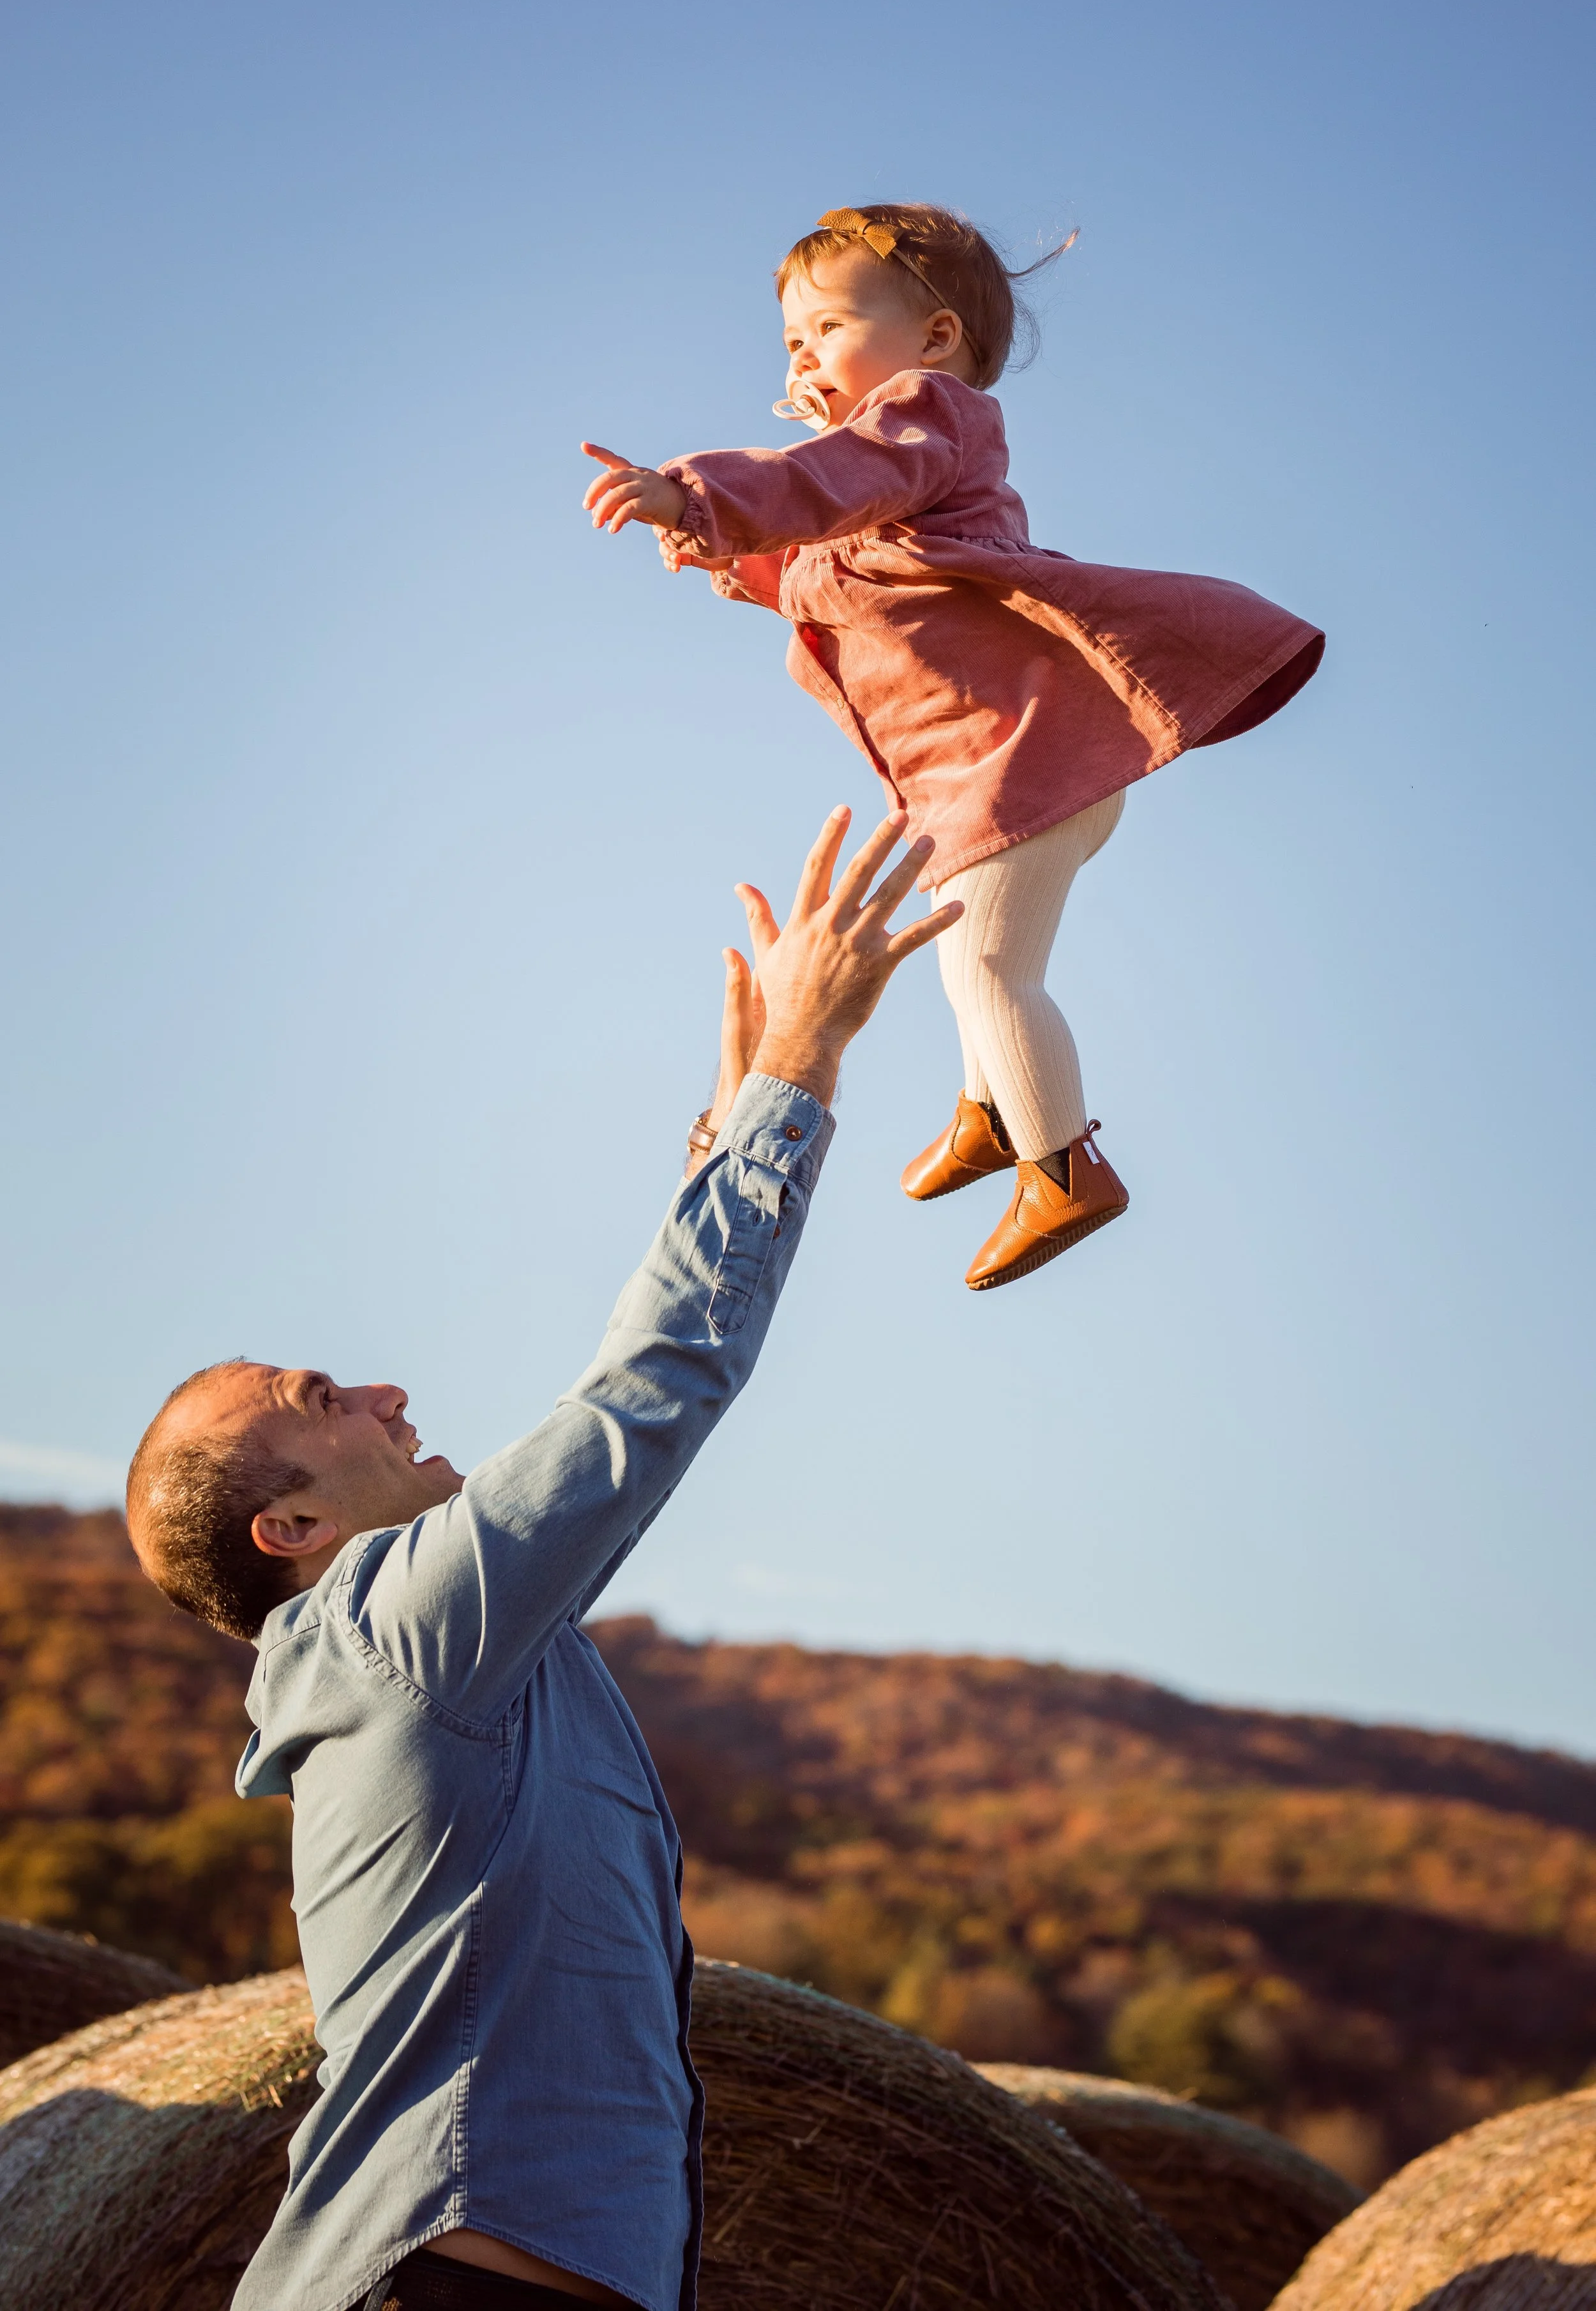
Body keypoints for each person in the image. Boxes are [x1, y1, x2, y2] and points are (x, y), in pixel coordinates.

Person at [123, 808, 961, 2311]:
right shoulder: (386, 1625)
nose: (383, 1390)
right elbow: (647, 1391)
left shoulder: (473, 1662)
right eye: (327, 1405)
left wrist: (720, 1138)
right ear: (292, 1534)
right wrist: (795, 1077)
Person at [580, 202, 1325, 1291]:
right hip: (989, 774)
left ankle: (1064, 1167)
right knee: (966, 964)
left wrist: (699, 490)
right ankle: (989, 1113)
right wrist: (702, 540)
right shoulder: (876, 504)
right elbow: (803, 567)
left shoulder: (927, 421)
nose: (801, 358)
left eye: (825, 330)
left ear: (932, 340)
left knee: (987, 972)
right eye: (790, 342)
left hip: (1021, 761)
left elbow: (822, 480)